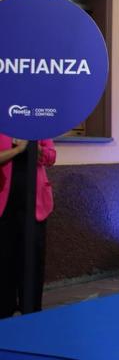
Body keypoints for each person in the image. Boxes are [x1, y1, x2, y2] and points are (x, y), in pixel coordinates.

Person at [0, 136, 56, 317]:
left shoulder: (37, 126)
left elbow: (51, 157)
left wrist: (33, 148)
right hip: (4, 206)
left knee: (33, 261)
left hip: (35, 205)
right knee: (4, 262)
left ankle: (32, 314)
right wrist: (17, 150)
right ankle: (4, 314)